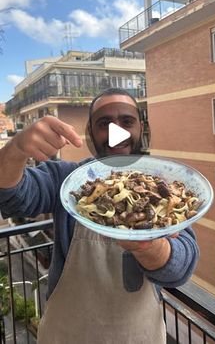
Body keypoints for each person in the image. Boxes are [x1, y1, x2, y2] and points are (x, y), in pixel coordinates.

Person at [0, 88, 199, 344]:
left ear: (141, 128)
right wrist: (16, 148)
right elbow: (13, 197)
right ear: (90, 132)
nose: (117, 132)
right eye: (104, 123)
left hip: (139, 336)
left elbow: (180, 268)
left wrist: (150, 246)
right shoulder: (67, 180)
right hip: (66, 335)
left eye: (127, 121)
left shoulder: (165, 188)